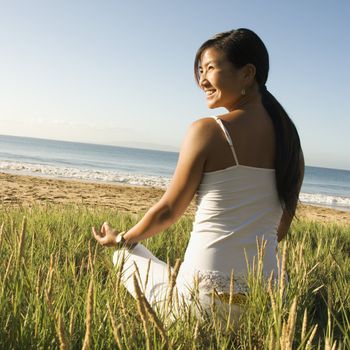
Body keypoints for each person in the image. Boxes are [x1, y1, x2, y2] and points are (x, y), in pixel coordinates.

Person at [92, 28, 304, 324]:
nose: (202, 80)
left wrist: (121, 238)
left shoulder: (208, 130)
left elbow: (168, 211)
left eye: (211, 68)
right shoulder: (290, 142)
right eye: (200, 70)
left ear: (247, 74)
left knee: (124, 256)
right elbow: (281, 226)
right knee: (168, 271)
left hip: (200, 304)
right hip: (266, 303)